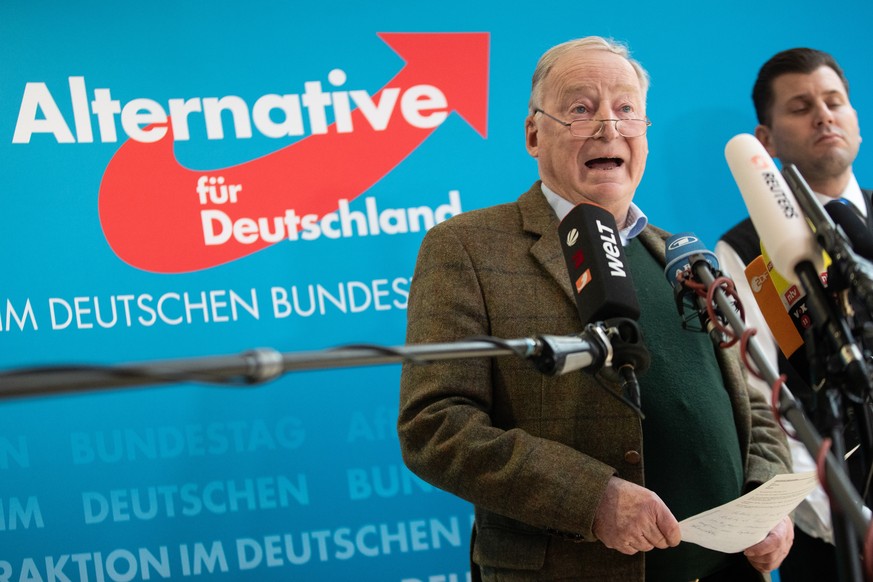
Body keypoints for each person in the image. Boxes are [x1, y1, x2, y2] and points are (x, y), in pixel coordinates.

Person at [398, 36, 793, 582]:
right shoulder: (467, 247)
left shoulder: (679, 254)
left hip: (731, 568)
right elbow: (435, 426)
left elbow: (754, 401)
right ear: (534, 133)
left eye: (626, 109)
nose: (610, 127)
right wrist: (592, 498)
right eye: (581, 109)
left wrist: (770, 497)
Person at [716, 47, 867, 581]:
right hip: (836, 533)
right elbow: (770, 404)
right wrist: (854, 523)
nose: (824, 115)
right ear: (767, 140)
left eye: (835, 101)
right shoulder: (747, 253)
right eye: (801, 106)